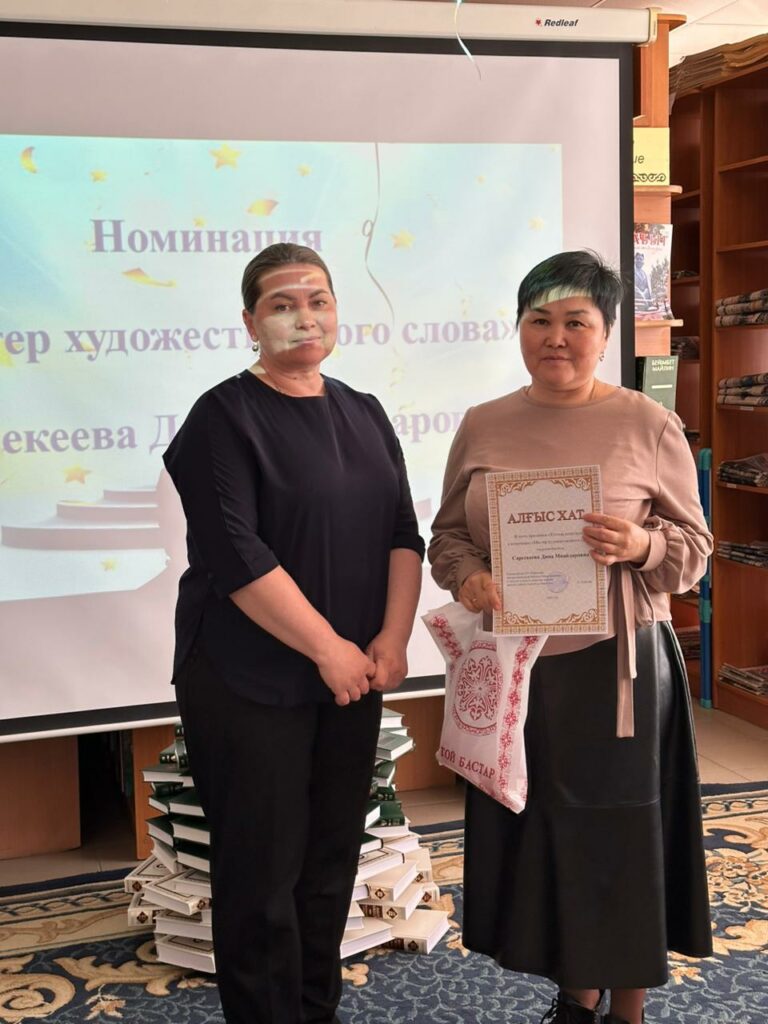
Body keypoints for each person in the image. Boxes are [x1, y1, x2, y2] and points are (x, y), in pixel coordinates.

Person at [428, 250, 713, 1024]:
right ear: (519, 328)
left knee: (621, 835)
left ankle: (627, 1009)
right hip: (519, 668)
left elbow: (694, 552)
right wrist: (468, 577)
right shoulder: (483, 423)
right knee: (542, 831)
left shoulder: (647, 422)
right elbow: (448, 537)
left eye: (576, 322)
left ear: (606, 333)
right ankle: (575, 994)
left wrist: (641, 546)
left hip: (618, 669)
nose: (556, 337)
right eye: (540, 320)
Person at [163, 242, 424, 1024]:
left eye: (318, 300)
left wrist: (392, 638)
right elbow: (237, 554)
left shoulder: (364, 410)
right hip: (246, 679)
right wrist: (328, 649)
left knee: (330, 861)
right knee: (261, 872)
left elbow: (401, 533)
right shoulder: (221, 417)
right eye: (282, 305)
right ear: (250, 323)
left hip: (352, 676)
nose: (304, 317)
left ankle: (316, 1008)